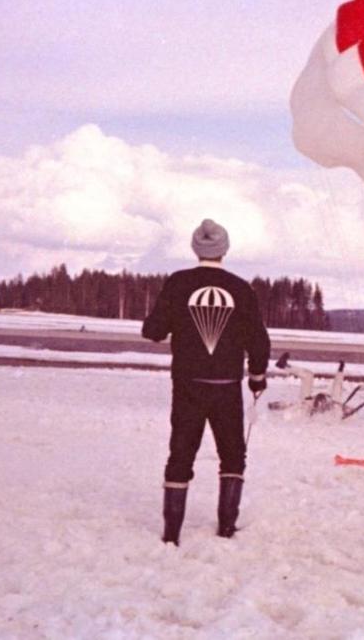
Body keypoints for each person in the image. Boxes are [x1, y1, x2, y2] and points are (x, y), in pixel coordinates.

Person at [142, 219, 271, 545]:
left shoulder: (178, 283)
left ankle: (171, 534)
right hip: (226, 385)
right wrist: (257, 376)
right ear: (224, 250)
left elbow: (153, 331)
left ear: (195, 248)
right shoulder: (242, 289)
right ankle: (226, 528)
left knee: (180, 455)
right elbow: (258, 340)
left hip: (187, 384)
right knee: (232, 456)